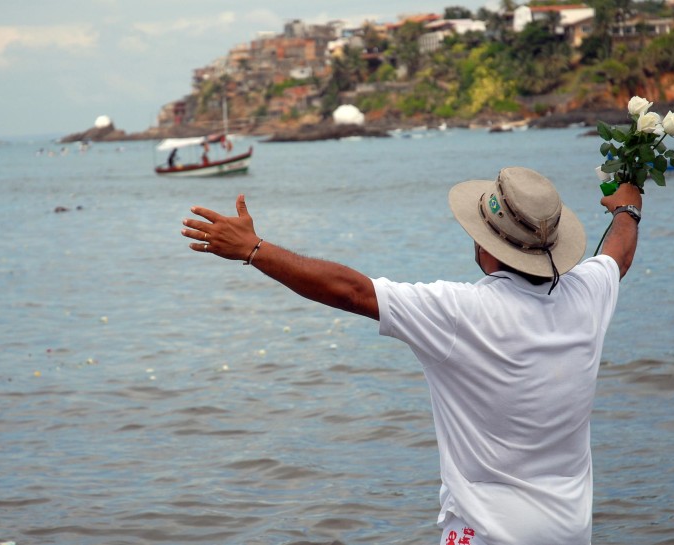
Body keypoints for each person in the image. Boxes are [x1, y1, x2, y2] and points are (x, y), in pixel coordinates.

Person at [180, 167, 642, 545]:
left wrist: (254, 250)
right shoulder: (588, 296)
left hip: (486, 534)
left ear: (486, 244)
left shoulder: (462, 312)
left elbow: (351, 291)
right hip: (570, 532)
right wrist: (628, 204)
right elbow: (616, 256)